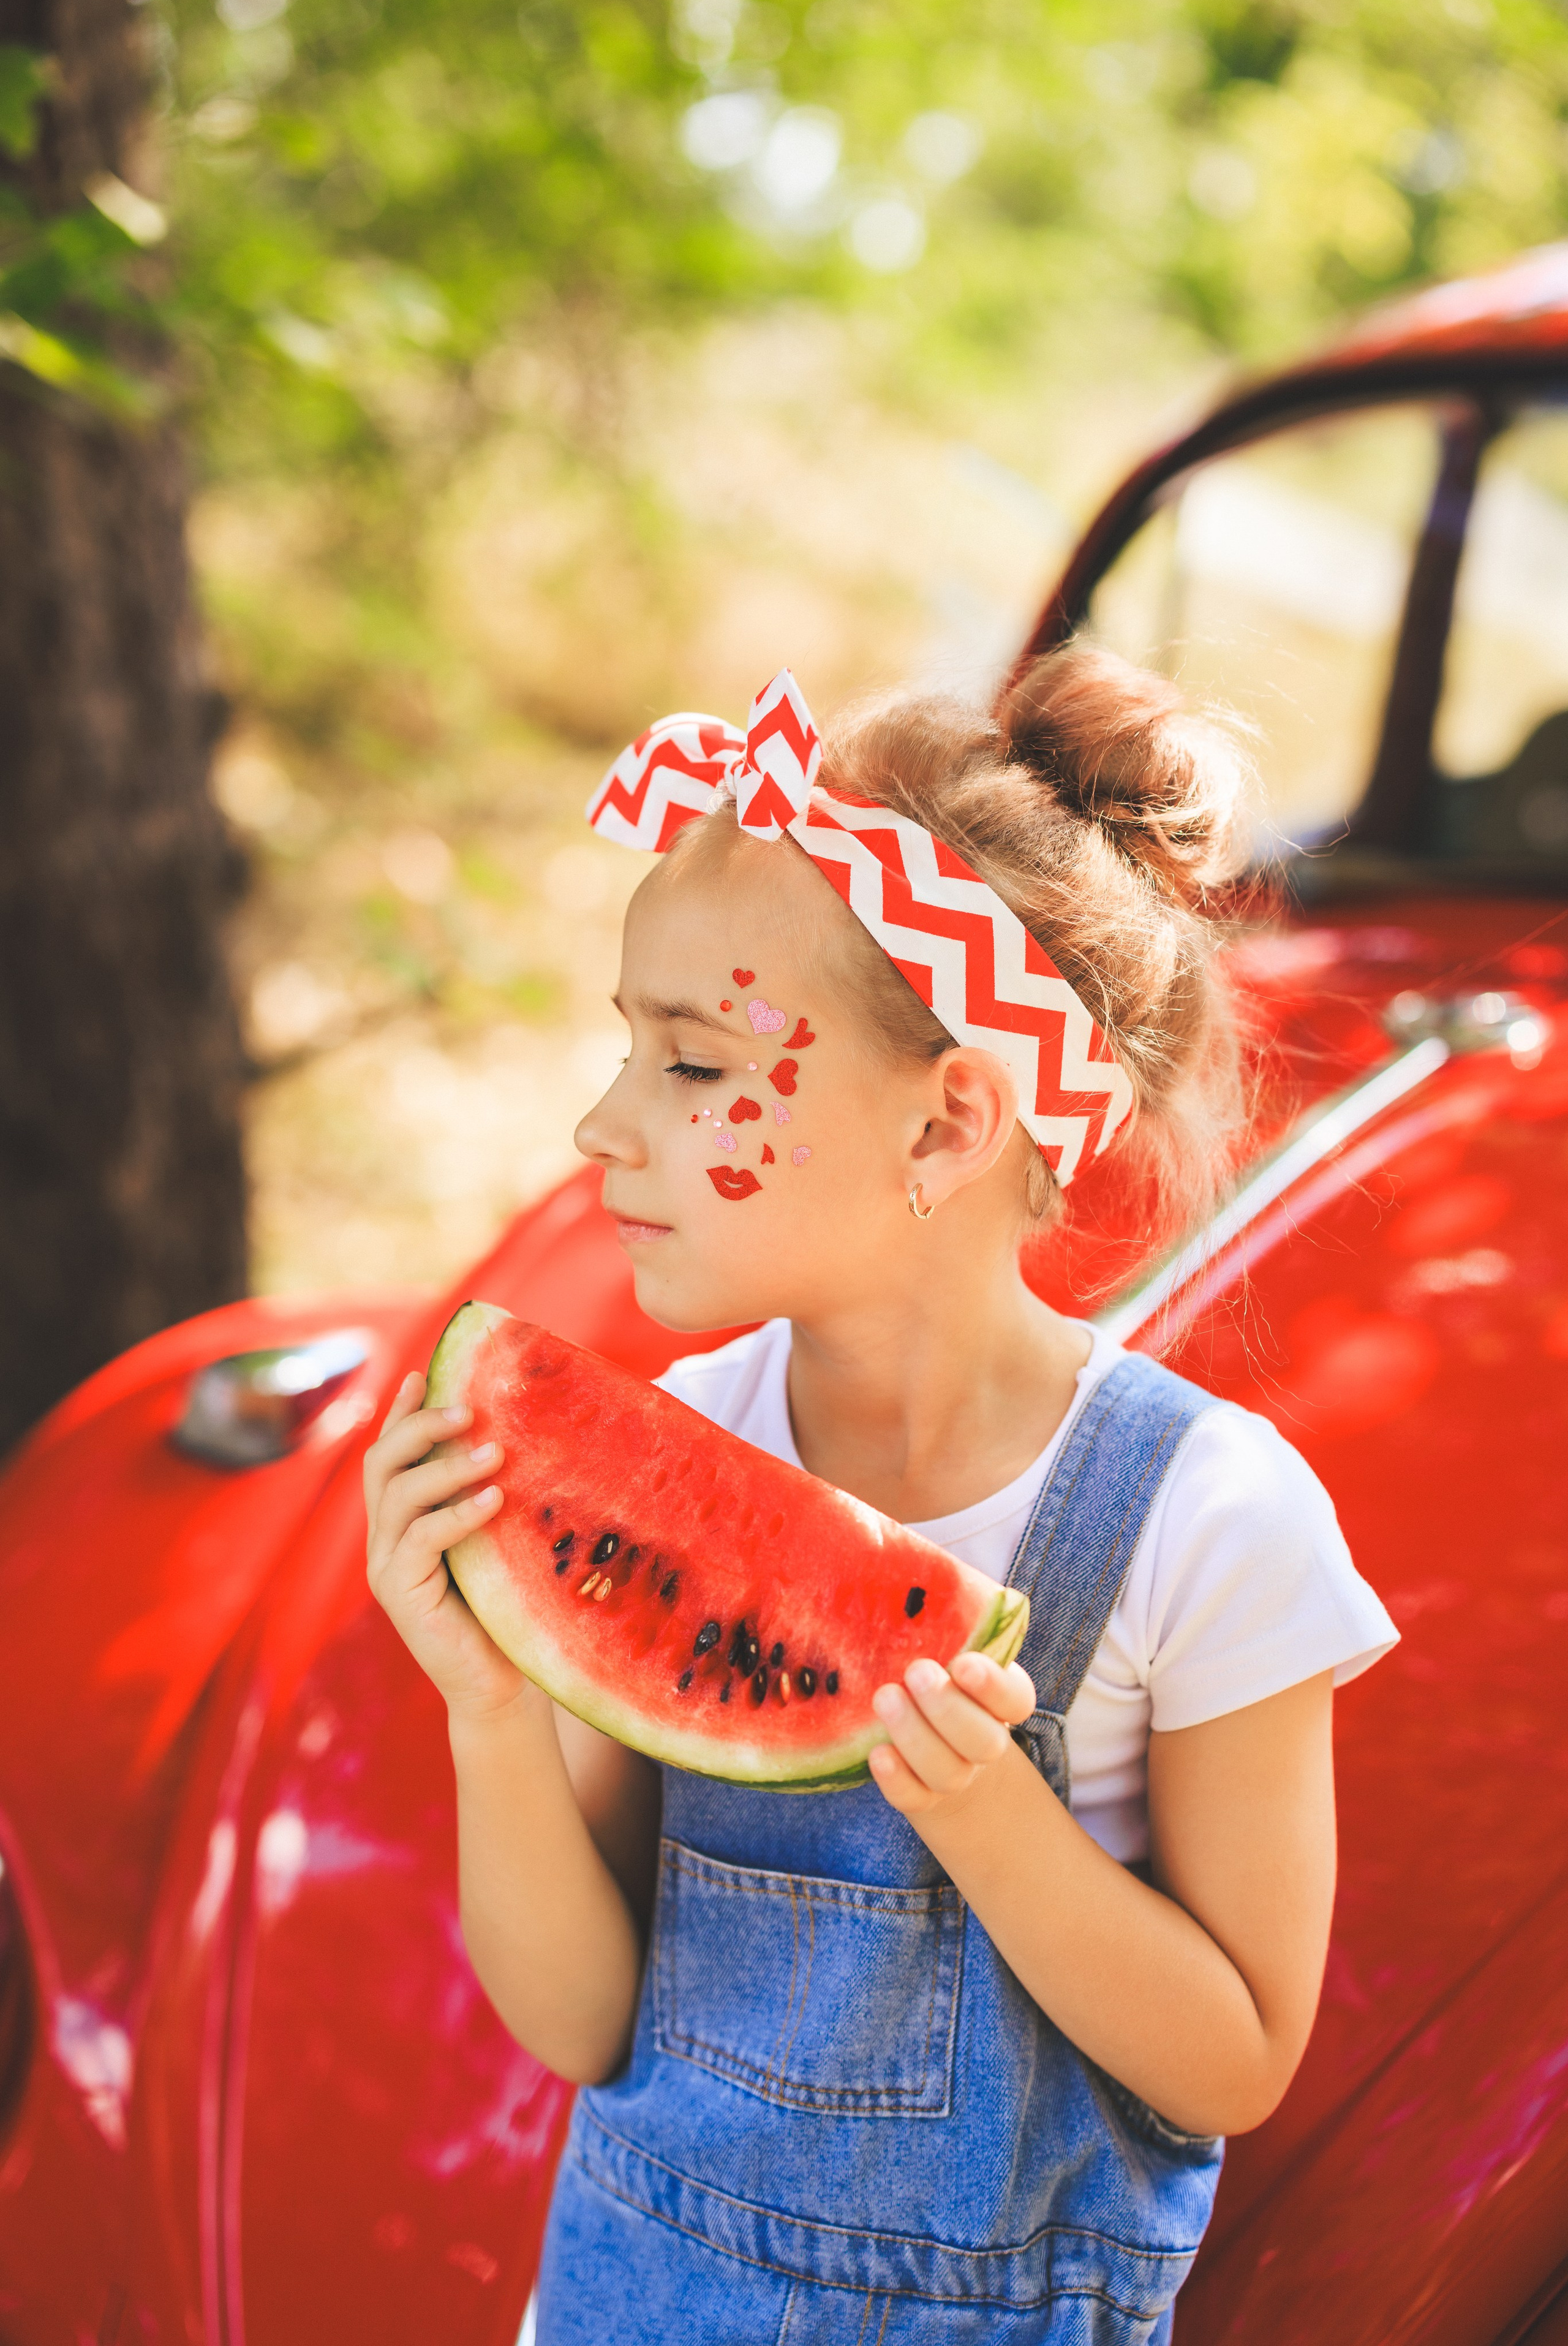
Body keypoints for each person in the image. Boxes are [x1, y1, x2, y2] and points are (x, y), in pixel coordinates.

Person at [364, 645, 1397, 2344]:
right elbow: (583, 2025)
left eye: (695, 1070)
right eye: (628, 1050)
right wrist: (490, 1705)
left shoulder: (1210, 1526)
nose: (600, 1127)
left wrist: (993, 1817)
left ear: (946, 1129)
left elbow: (1238, 2057)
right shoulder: (693, 1443)